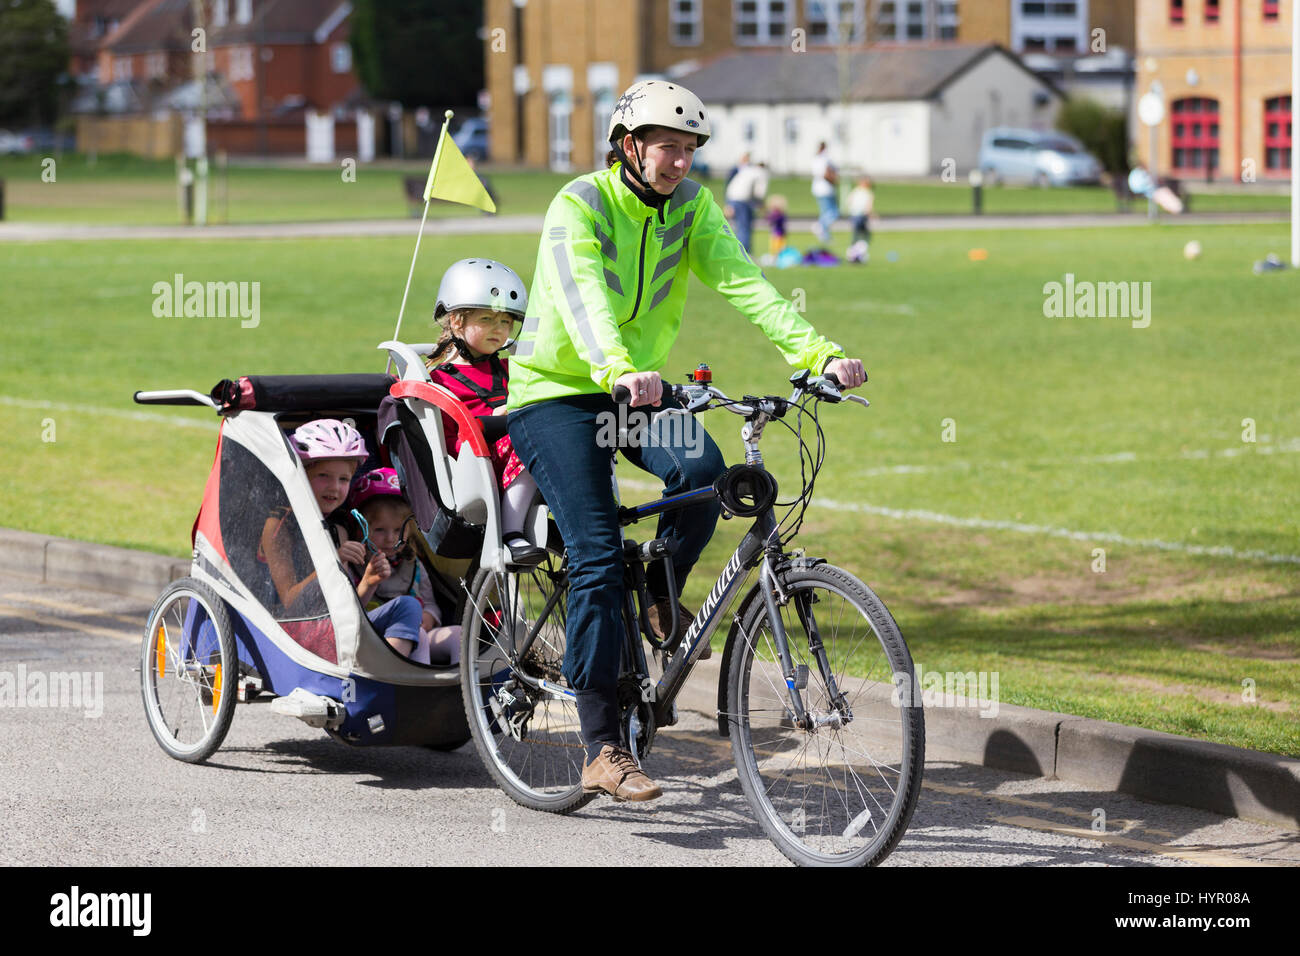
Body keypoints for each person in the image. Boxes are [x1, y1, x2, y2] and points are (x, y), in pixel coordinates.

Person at [505, 79, 866, 803]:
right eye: (666, 146)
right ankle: (603, 746)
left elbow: (746, 284)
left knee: (708, 473)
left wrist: (816, 353)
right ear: (629, 145)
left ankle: (661, 588)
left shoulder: (693, 208)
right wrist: (615, 369)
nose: (678, 162)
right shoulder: (580, 203)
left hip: (638, 388)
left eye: (689, 150)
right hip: (557, 393)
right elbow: (581, 296)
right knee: (597, 552)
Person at [425, 258, 546, 567]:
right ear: (456, 322)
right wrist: (500, 415)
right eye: (488, 319)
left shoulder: (511, 370)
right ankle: (510, 533)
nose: (500, 329)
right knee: (534, 435)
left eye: (506, 322)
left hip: (520, 454)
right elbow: (449, 442)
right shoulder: (440, 381)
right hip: (475, 465)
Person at [282, 419, 423, 659]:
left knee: (411, 609)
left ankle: (402, 683)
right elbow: (290, 603)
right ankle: (389, 681)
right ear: (301, 474)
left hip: (338, 627)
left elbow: (346, 608)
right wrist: (332, 562)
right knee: (408, 609)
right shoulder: (281, 525)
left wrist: (369, 581)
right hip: (297, 632)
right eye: (323, 476)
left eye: (344, 479)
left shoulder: (339, 528)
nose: (334, 488)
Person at [344, 468, 462, 665]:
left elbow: (430, 602)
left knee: (458, 635)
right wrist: (369, 583)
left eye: (398, 530)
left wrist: (430, 616)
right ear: (360, 528)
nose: (391, 538)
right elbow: (348, 614)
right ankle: (413, 687)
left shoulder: (413, 564)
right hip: (371, 636)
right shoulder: (354, 563)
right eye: (380, 530)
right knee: (418, 633)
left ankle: (464, 691)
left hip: (415, 632)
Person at [723, 153, 768, 254]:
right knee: (745, 227)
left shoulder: (747, 170)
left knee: (738, 227)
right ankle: (744, 253)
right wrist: (762, 205)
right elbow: (760, 193)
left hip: (732, 198)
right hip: (742, 200)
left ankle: (737, 251)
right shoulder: (761, 173)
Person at [810, 141, 839, 245]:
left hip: (818, 189)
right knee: (833, 213)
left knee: (825, 213)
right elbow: (828, 173)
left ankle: (825, 236)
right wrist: (834, 179)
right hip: (826, 189)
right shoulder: (825, 159)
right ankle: (820, 226)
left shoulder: (815, 159)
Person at [846, 175, 875, 264]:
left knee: (856, 236)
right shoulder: (868, 193)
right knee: (865, 236)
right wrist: (871, 215)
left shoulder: (855, 191)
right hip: (862, 216)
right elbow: (868, 207)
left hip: (854, 215)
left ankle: (853, 253)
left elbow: (848, 201)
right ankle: (857, 254)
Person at [764, 193, 788, 261]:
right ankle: (775, 258)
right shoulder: (777, 214)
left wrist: (770, 217)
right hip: (775, 233)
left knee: (778, 248)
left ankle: (777, 259)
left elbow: (773, 220)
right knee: (774, 247)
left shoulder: (779, 215)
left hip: (778, 234)